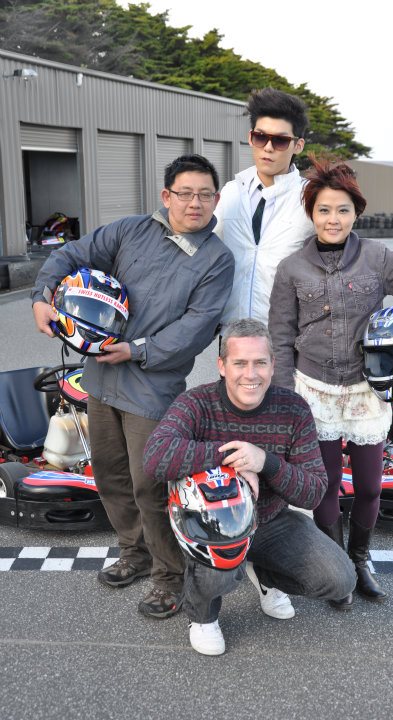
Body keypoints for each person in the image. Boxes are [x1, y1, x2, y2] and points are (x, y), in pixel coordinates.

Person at [31, 154, 235, 620]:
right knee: (110, 474)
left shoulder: (217, 259)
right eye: (185, 193)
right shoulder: (130, 230)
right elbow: (70, 254)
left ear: (216, 200)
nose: (195, 203)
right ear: (167, 196)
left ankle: (169, 576)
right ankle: (134, 553)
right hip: (101, 378)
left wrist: (137, 350)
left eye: (205, 194)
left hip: (152, 386)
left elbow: (197, 327)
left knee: (151, 486)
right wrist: (43, 296)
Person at [269, 156, 393, 608]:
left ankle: (360, 558)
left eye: (343, 210)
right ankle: (337, 566)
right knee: (325, 486)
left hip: (366, 392)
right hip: (314, 391)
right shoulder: (291, 268)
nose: (333, 219)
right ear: (311, 214)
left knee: (371, 486)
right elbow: (280, 336)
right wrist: (286, 397)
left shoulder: (377, 257)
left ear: (356, 213)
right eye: (324, 210)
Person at [143, 319, 356, 655]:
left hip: (271, 520)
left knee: (340, 579)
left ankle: (265, 576)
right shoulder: (196, 403)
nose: (250, 374)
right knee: (221, 569)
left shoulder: (293, 409)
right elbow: (155, 458)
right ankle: (202, 615)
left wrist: (265, 462)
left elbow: (314, 491)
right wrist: (232, 457)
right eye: (240, 363)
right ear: (222, 366)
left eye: (260, 363)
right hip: (213, 524)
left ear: (273, 365)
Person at [214, 87, 314, 329]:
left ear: (298, 145)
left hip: (287, 337)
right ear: (251, 138)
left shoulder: (312, 199)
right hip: (233, 334)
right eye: (260, 137)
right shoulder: (230, 192)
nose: (268, 147)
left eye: (280, 140)